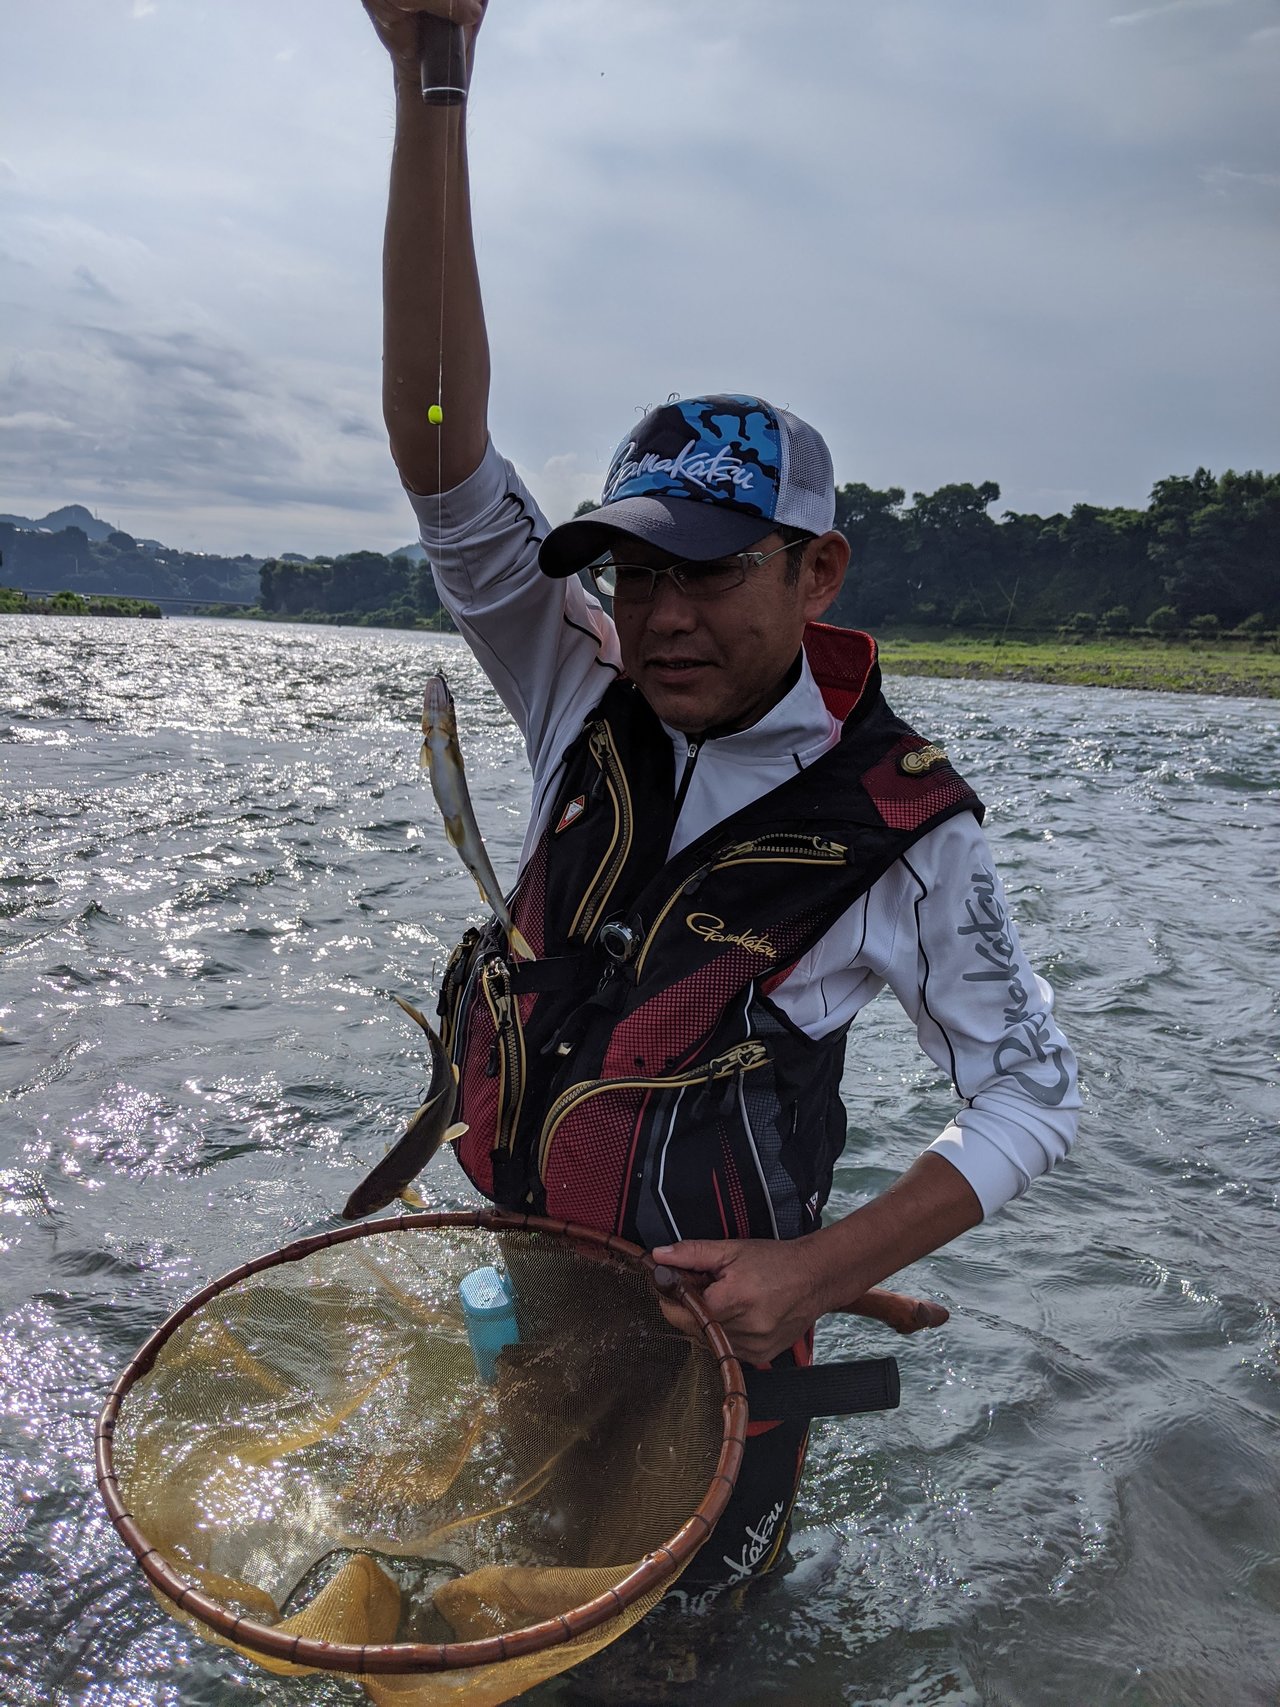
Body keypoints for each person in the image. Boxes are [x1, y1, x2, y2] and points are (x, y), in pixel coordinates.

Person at [360, 0, 1079, 1608]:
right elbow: (434, 446)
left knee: (674, 1654)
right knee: (479, 1599)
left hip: (722, 1367)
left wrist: (813, 1275)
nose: (663, 615)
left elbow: (1033, 1096)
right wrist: (432, 77)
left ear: (817, 570)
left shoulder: (907, 827)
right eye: (636, 569)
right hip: (529, 1305)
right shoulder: (576, 683)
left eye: (711, 571)